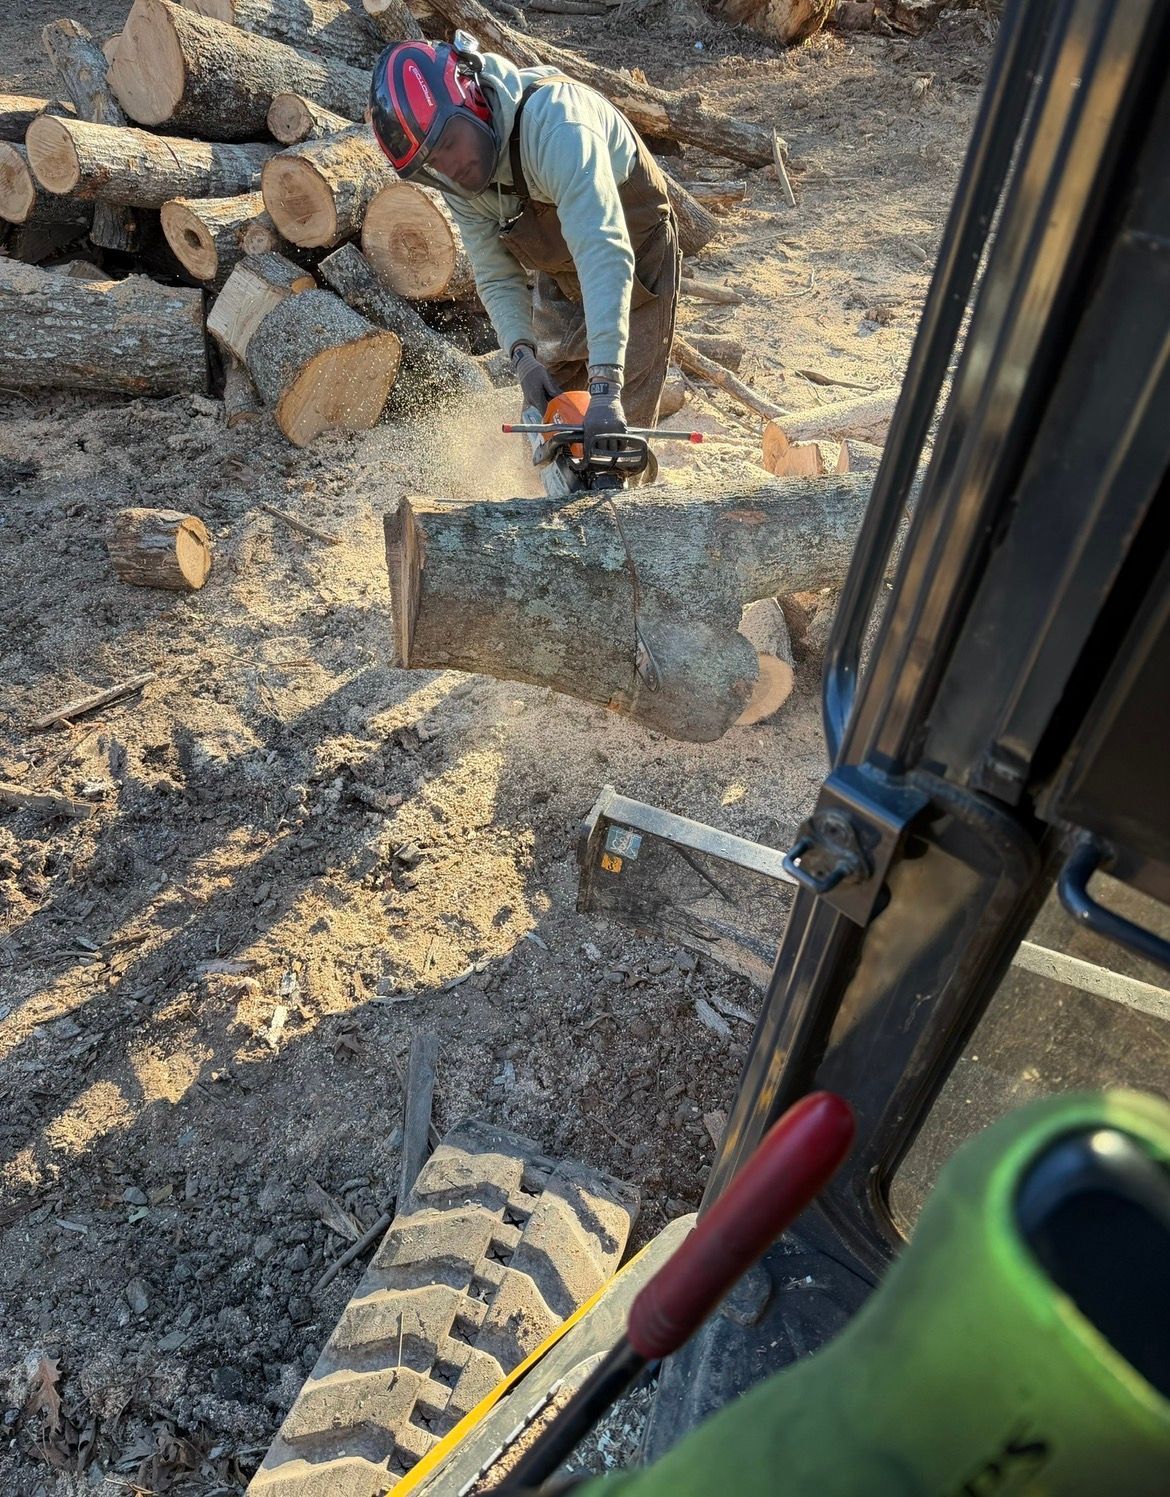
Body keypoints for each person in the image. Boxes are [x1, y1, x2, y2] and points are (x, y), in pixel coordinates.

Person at [369, 33, 681, 449]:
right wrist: (523, 358)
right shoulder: (457, 179)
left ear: (471, 98)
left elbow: (603, 249)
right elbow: (496, 275)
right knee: (548, 422)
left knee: (616, 432)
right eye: (433, 163)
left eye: (448, 144)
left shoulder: (558, 127)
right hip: (562, 263)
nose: (451, 167)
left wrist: (606, 385)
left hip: (631, 243)